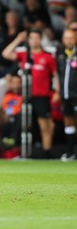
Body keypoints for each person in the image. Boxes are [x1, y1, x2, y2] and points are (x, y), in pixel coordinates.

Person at [2, 29, 59, 159]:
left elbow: (56, 76)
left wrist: (58, 91)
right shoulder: (24, 55)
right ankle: (22, 153)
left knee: (45, 126)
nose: (34, 40)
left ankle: (46, 154)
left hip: (42, 97)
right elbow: (5, 53)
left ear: (40, 40)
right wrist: (18, 40)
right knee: (23, 125)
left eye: (36, 38)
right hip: (26, 97)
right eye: (31, 38)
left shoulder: (47, 57)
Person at [55, 29, 77, 161]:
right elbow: (58, 74)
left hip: (76, 95)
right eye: (66, 38)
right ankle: (70, 152)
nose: (68, 40)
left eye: (71, 38)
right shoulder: (61, 54)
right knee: (68, 123)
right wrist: (59, 91)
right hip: (66, 95)